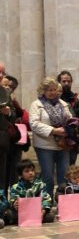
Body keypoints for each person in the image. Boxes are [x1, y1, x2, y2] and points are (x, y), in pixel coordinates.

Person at [29, 77, 72, 198]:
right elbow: (34, 124)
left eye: (54, 89)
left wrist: (68, 129)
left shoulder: (63, 104)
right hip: (45, 145)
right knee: (47, 176)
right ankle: (47, 203)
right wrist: (54, 130)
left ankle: (63, 202)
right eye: (49, 90)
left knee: (64, 176)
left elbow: (70, 120)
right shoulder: (36, 105)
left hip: (63, 145)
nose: (53, 92)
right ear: (43, 91)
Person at [8, 159, 55, 224]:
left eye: (32, 170)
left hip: (37, 211)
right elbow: (13, 199)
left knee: (50, 216)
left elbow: (46, 198)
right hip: (22, 212)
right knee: (10, 215)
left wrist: (43, 210)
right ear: (21, 174)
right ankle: (27, 219)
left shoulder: (40, 184)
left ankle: (34, 218)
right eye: (27, 171)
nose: (30, 173)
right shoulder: (16, 187)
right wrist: (14, 203)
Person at [57, 70, 79, 165]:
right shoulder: (55, 99)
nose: (66, 83)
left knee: (71, 166)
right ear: (59, 82)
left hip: (72, 139)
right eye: (64, 81)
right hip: (58, 138)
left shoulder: (74, 99)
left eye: (68, 81)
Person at [0, 64, 18, 195]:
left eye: (2, 72)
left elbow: (13, 116)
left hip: (2, 141)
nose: (1, 75)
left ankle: (2, 205)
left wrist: (8, 113)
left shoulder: (5, 93)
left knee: (2, 177)